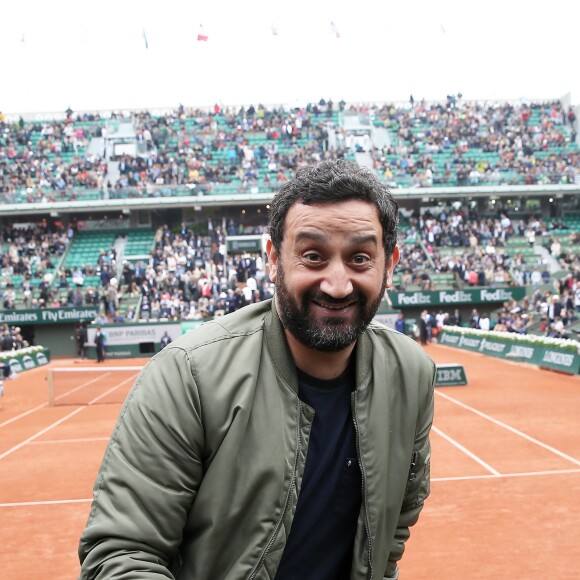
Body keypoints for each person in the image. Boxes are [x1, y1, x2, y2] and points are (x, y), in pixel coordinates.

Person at [79, 159, 435, 580]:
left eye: (359, 258)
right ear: (272, 258)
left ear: (389, 264)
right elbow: (122, 555)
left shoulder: (412, 374)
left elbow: (395, 525)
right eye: (313, 256)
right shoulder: (187, 375)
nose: (337, 285)